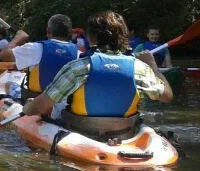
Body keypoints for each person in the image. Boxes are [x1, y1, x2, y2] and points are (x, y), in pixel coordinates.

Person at [23, 11, 173, 139]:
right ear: (123, 36)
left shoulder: (78, 67)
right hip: (123, 134)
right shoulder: (139, 68)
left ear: (91, 37)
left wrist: (28, 107)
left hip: (80, 133)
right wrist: (154, 68)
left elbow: (37, 108)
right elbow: (167, 96)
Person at [0, 14, 79, 109]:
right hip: (65, 105)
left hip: (36, 102)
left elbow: (3, 55)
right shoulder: (79, 53)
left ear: (48, 31)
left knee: (8, 84)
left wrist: (18, 38)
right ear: (70, 33)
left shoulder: (36, 48)